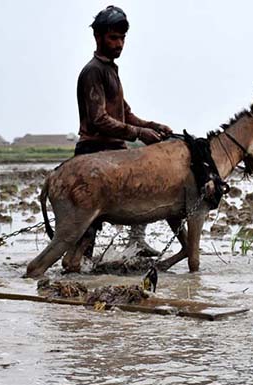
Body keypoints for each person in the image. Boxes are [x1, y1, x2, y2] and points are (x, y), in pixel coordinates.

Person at [75, 5, 172, 257]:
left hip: (115, 150)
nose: (119, 44)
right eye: (113, 38)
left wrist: (152, 126)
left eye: (122, 38)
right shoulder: (93, 71)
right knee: (88, 223)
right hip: (95, 151)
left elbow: (125, 114)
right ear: (98, 38)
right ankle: (79, 261)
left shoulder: (111, 70)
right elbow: (100, 120)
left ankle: (136, 241)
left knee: (146, 182)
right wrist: (139, 134)